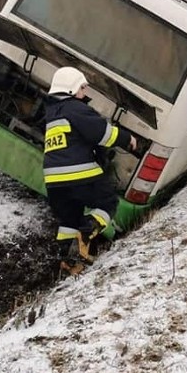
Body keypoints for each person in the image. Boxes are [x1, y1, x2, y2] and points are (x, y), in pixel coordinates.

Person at [43, 66, 138, 276]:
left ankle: (67, 261)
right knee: (108, 202)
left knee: (69, 220)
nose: (84, 93)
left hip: (54, 183)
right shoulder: (74, 108)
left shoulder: (52, 113)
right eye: (82, 88)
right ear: (71, 89)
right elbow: (102, 134)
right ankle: (88, 231)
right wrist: (127, 139)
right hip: (80, 175)